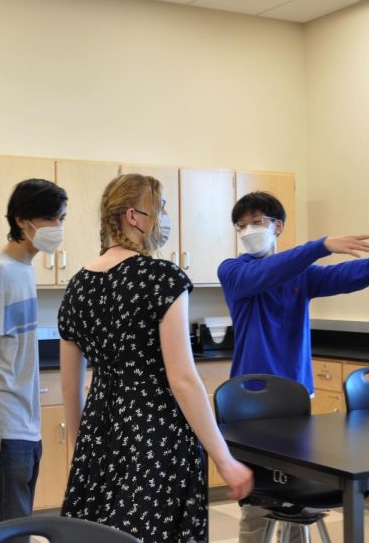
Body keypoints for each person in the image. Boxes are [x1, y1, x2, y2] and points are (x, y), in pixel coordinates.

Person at [217, 190, 369, 542]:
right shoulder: (233, 271)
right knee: (258, 498)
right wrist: (321, 244)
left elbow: (346, 276)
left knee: (294, 488)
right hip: (249, 400)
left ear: (277, 226)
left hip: (296, 395)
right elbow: (264, 274)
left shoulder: (301, 275)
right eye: (242, 225)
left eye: (257, 222)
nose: (248, 230)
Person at [59, 174, 253, 543]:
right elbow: (181, 379)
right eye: (161, 207)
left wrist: (79, 451)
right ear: (134, 216)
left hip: (99, 432)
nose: (165, 217)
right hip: (155, 433)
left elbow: (70, 387)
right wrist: (224, 459)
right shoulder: (162, 278)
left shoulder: (78, 285)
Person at [0, 178, 68, 528]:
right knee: (9, 530)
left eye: (61, 219)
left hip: (26, 421)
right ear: (22, 220)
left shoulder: (24, 268)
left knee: (12, 526)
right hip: (5, 422)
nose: (57, 228)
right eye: (51, 219)